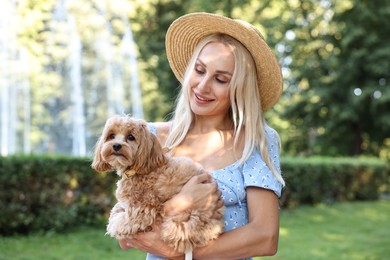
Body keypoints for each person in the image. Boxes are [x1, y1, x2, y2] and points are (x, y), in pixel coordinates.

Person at [119, 12, 285, 259]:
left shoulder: (256, 141)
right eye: (199, 70)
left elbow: (265, 236)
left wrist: (178, 252)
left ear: (240, 89)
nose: (203, 86)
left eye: (220, 79)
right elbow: (125, 232)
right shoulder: (151, 137)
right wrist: (180, 203)